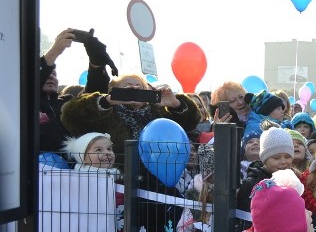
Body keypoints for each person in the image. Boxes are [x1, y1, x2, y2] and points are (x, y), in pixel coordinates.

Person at [61, 74, 201, 170]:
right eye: (128, 87)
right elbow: (70, 116)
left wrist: (176, 104)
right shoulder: (106, 112)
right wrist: (107, 101)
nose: (134, 89)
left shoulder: (159, 112)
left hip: (158, 179)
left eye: (139, 87)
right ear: (114, 91)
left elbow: (191, 123)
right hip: (119, 180)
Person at [39, 29, 112, 154]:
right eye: (48, 73)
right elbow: (28, 82)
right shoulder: (24, 102)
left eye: (54, 74)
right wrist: (55, 51)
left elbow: (91, 99)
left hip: (74, 170)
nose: (51, 76)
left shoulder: (66, 103)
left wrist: (97, 65)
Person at [236, 127, 294, 211]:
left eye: (288, 156)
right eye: (276, 158)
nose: (283, 161)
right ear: (265, 160)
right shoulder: (252, 184)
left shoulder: (294, 179)